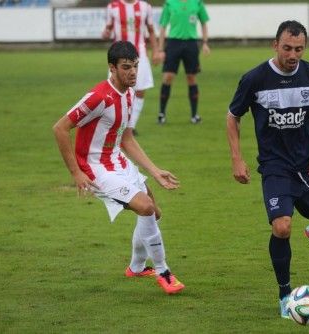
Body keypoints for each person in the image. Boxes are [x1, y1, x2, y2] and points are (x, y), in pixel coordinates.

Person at [226, 20, 309, 319]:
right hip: (275, 166)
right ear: (275, 45)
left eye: (299, 49)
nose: (293, 55)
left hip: (307, 164)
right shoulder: (255, 78)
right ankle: (284, 294)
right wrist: (237, 159)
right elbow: (232, 117)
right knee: (281, 226)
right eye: (288, 48)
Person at [53, 41, 185, 295]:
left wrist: (155, 171)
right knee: (145, 208)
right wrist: (75, 172)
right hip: (95, 169)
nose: (133, 72)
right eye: (126, 67)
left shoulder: (129, 93)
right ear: (111, 68)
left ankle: (136, 268)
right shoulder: (98, 97)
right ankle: (163, 271)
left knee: (154, 213)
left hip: (117, 160)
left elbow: (126, 139)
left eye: (135, 66)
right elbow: (60, 128)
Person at [102, 0, 160, 135]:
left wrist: (156, 50)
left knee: (140, 91)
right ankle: (115, 125)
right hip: (118, 56)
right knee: (115, 90)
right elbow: (108, 28)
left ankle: (130, 127)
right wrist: (105, 33)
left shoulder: (145, 7)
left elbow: (151, 31)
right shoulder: (113, 7)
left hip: (140, 55)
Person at [156, 0, 210, 124]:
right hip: (173, 43)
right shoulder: (169, 3)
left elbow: (204, 23)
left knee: (191, 78)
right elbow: (163, 26)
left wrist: (205, 43)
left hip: (191, 44)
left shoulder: (197, 3)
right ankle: (161, 113)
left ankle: (194, 115)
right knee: (168, 77)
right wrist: (160, 49)